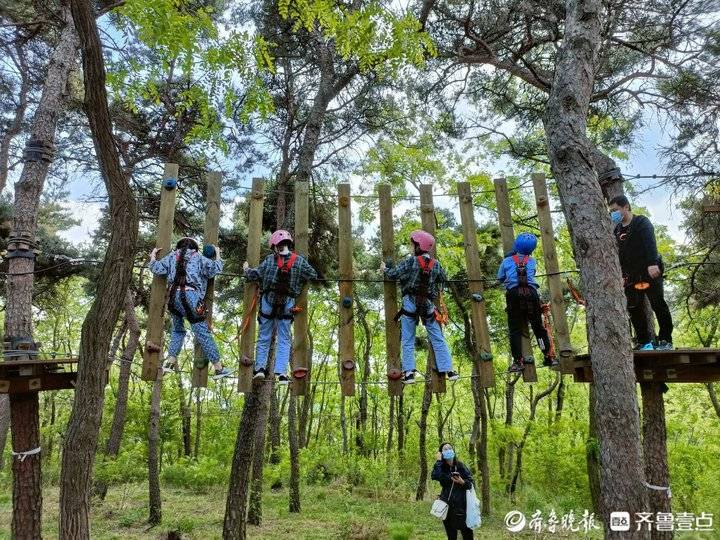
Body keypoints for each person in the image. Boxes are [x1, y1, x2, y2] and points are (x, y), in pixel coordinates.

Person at [381, 230, 459, 384]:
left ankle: (409, 373)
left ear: (418, 246)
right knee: (437, 338)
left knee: (408, 339)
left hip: (410, 302)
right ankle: (449, 370)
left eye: (413, 244)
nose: (412, 247)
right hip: (428, 305)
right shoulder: (436, 265)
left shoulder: (411, 262)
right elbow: (443, 280)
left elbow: (393, 274)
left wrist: (384, 269)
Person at [149, 237, 231, 379]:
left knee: (178, 330)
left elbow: (155, 268)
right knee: (202, 333)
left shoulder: (171, 256)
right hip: (191, 296)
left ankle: (170, 362)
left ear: (179, 246)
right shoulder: (198, 257)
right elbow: (215, 269)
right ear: (194, 247)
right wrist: (218, 253)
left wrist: (152, 256)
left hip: (173, 298)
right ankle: (218, 368)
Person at [244, 230, 317, 385]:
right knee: (284, 339)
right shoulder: (299, 261)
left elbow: (254, 275)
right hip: (287, 304)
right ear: (289, 244)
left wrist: (246, 270)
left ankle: (260, 370)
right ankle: (281, 373)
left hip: (268, 303)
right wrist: (298, 281)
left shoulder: (270, 260)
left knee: (264, 338)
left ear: (275, 246)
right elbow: (313, 275)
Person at [609, 195, 673, 350]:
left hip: (649, 272)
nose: (613, 214)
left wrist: (652, 264)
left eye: (615, 210)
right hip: (631, 276)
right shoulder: (616, 230)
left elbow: (650, 243)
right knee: (634, 308)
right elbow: (620, 254)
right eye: (611, 211)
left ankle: (666, 340)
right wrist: (621, 275)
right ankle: (645, 342)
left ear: (626, 207)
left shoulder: (641, 222)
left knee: (657, 304)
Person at [497, 232, 558, 372]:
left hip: (514, 295)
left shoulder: (506, 261)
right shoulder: (532, 261)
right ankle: (549, 356)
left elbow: (500, 277)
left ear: (516, 245)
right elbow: (532, 272)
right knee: (538, 327)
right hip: (531, 294)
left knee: (515, 330)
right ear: (531, 250)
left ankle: (518, 361)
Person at [431, 442, 475, 540]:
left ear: (453, 450)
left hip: (462, 506)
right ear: (441, 453)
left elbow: (471, 484)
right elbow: (435, 476)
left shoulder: (460, 466)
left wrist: (462, 481)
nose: (448, 450)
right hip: (447, 506)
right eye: (445, 449)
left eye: (449, 448)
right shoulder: (441, 467)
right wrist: (438, 461)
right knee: (451, 536)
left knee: (467, 533)